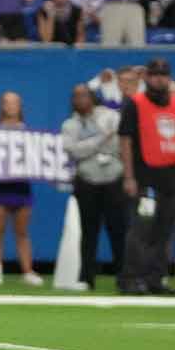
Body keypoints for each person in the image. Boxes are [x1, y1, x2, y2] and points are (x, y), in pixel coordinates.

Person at [117, 59, 175, 295]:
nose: (159, 79)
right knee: (142, 229)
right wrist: (129, 177)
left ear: (169, 78)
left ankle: (155, 279)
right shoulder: (135, 104)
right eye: (155, 74)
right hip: (144, 178)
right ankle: (131, 278)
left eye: (164, 75)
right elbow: (125, 140)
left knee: (165, 230)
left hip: (172, 178)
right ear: (147, 77)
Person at [61, 83, 127, 291]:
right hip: (87, 181)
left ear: (92, 98)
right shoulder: (69, 125)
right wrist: (100, 139)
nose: (80, 100)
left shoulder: (109, 116)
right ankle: (86, 278)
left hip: (114, 178)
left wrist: (91, 144)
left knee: (118, 230)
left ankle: (124, 276)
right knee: (89, 232)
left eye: (84, 96)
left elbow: (117, 144)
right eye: (76, 96)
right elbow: (73, 151)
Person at [0, 91, 44, 287]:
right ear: (2, 106)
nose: (11, 106)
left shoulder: (29, 133)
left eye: (15, 103)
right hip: (0, 186)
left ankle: (27, 271)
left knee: (22, 231)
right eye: (7, 103)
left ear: (20, 106)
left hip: (22, 186)